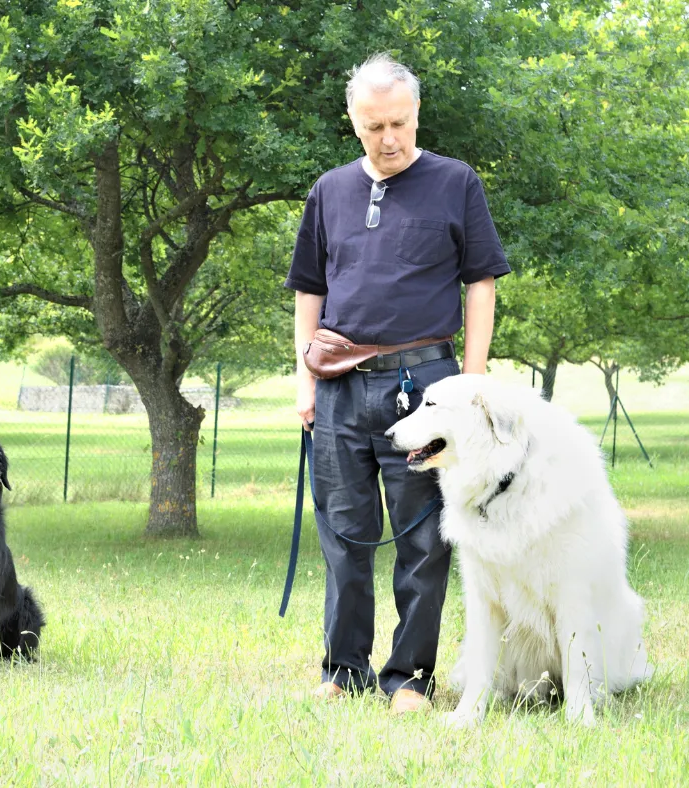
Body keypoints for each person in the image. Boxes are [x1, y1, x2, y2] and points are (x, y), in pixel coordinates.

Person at [285, 54, 511, 714]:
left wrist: (471, 380)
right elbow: (310, 289)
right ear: (353, 122)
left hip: (427, 387)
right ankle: (343, 668)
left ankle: (410, 676)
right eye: (373, 126)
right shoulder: (328, 191)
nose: (388, 138)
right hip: (337, 388)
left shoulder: (455, 182)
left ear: (416, 114)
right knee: (345, 534)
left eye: (400, 123)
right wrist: (304, 380)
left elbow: (482, 282)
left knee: (421, 536)